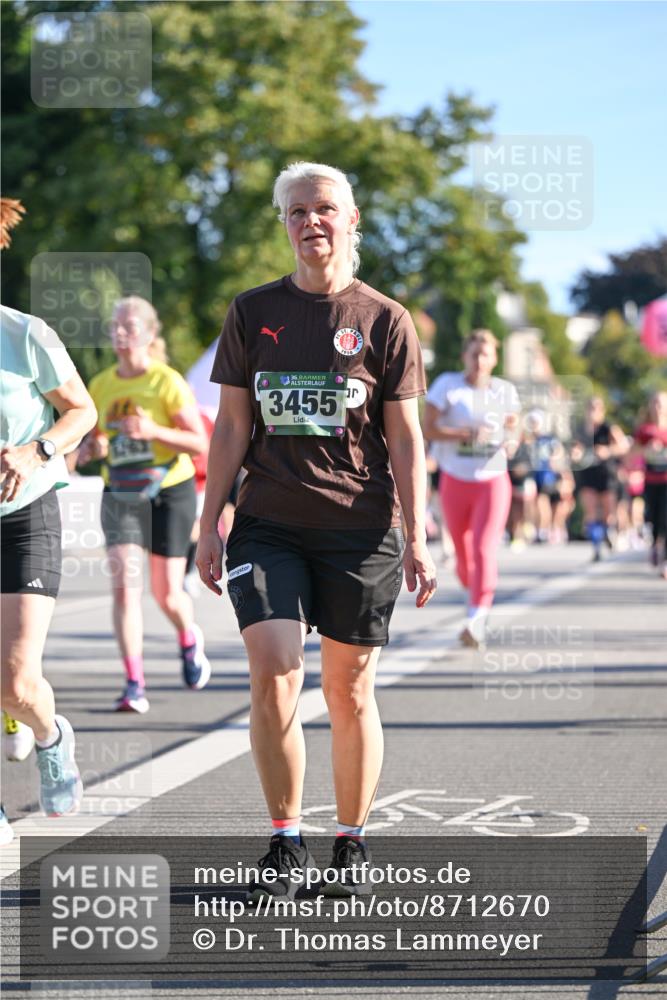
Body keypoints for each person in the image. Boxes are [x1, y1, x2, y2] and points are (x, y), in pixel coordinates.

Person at [196, 161, 436, 899]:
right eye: (297, 211)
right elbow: (232, 425)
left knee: (349, 689)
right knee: (273, 671)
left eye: (325, 209)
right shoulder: (251, 311)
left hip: (359, 530)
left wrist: (419, 536)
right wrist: (209, 522)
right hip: (267, 522)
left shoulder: (384, 320)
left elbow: (404, 440)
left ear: (351, 220)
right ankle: (283, 840)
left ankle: (351, 841)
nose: (311, 222)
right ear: (284, 224)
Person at [1, 200, 98, 845]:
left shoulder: (24, 333)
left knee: (14, 680)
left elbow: (82, 412)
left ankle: (48, 733)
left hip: (22, 513)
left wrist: (35, 450)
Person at [77, 296, 210, 713]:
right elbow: (93, 440)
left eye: (129, 327)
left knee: (166, 592)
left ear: (149, 336)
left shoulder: (165, 382)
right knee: (124, 589)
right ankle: (134, 682)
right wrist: (91, 447)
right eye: (115, 327)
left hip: (169, 488)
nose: (120, 334)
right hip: (120, 490)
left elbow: (198, 443)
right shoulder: (101, 385)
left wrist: (152, 430)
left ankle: (188, 638)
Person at [423, 330, 521, 648]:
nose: (479, 360)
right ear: (464, 356)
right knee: (464, 558)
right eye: (474, 353)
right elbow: (428, 428)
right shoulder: (448, 386)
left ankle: (476, 619)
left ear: (495, 359)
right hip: (455, 479)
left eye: (486, 354)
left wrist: (512, 442)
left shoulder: (504, 391)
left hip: (492, 481)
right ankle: (476, 594)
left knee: (483, 549)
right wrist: (464, 433)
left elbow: (514, 429)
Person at [571, 397, 628, 561]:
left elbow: (623, 446)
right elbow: (575, 448)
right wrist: (576, 454)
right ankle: (596, 547)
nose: (592, 411)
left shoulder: (608, 427)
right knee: (590, 511)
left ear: (602, 410)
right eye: (590, 407)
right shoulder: (581, 429)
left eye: (596, 408)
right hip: (587, 473)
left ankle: (608, 533)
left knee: (608, 513)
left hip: (606, 474)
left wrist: (608, 451)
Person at [634, 390, 667, 578]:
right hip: (651, 480)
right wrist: (646, 448)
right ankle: (655, 544)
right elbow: (632, 454)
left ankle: (666, 561)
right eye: (654, 403)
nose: (658, 407)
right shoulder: (644, 430)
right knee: (653, 517)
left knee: (666, 518)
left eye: (661, 403)